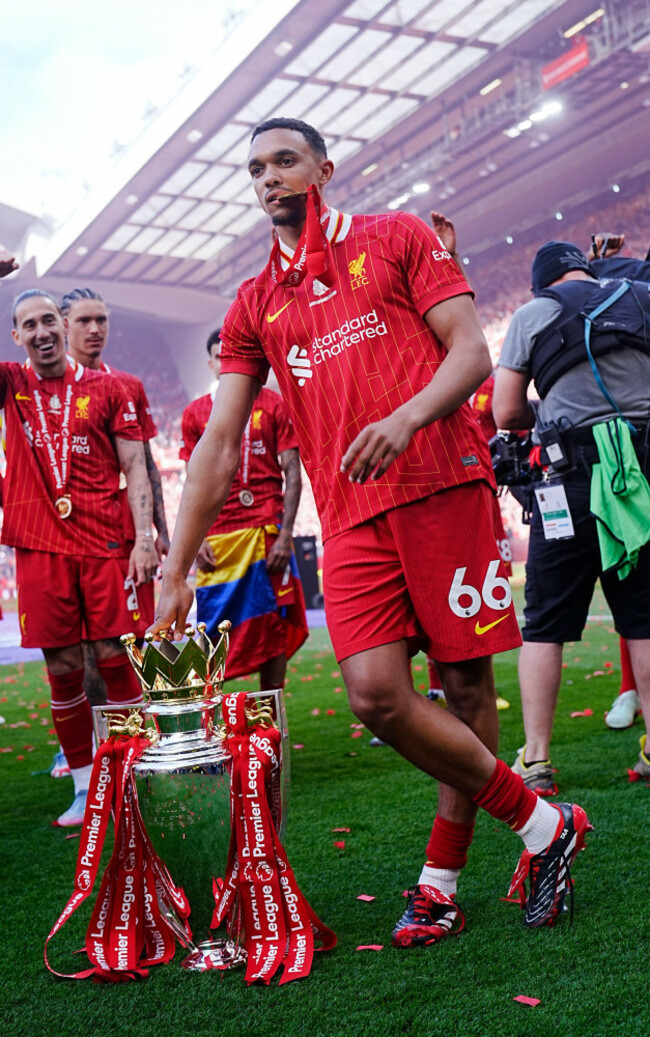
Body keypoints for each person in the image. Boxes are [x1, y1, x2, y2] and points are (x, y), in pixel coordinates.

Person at [153, 117, 590, 942]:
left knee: (465, 689)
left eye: (285, 160)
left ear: (323, 166)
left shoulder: (396, 238)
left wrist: (408, 415)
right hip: (351, 513)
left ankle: (440, 881)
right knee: (376, 694)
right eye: (255, 169)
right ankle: (543, 824)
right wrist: (176, 566)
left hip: (443, 485)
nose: (270, 178)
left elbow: (469, 351)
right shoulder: (254, 304)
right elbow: (220, 440)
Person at [493, 240, 650, 794]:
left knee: (544, 624)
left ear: (541, 284)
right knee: (646, 617)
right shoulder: (640, 295)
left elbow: (506, 411)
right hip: (640, 477)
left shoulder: (533, 314)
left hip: (569, 481)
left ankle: (535, 760)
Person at [6, 290, 156, 825]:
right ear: (18, 336)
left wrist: (144, 536)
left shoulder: (110, 387)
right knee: (64, 669)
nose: (42, 331)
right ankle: (85, 786)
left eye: (49, 320)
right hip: (40, 546)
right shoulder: (11, 385)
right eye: (30, 324)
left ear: (61, 326)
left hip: (104, 543)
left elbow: (135, 465)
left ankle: (138, 772)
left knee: (116, 656)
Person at [179, 328, 307, 688]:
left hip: (266, 534)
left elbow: (293, 474)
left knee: (273, 627)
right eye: (220, 357)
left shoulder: (274, 404)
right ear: (211, 364)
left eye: (232, 354)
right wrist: (194, 538)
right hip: (218, 542)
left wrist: (285, 536)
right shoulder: (195, 414)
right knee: (213, 632)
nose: (227, 362)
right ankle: (217, 728)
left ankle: (271, 721)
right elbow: (193, 483)